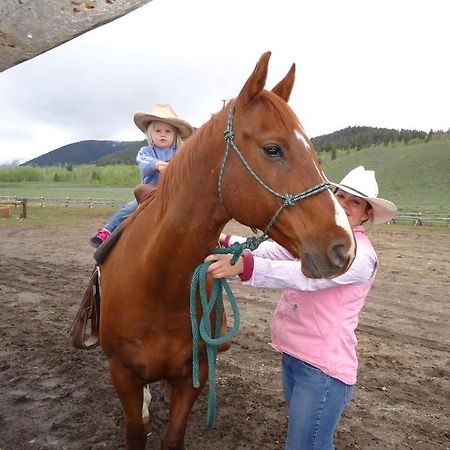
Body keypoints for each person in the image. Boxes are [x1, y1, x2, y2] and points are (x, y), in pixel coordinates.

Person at [205, 166, 397, 450]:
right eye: (340, 195)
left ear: (366, 212)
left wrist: (246, 267)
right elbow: (278, 250)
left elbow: (307, 275)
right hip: (296, 357)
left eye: (354, 201)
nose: (344, 204)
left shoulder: (360, 256)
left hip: (323, 369)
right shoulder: (321, 238)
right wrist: (229, 242)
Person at [89, 104, 193, 247]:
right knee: (129, 208)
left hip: (173, 194)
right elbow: (144, 163)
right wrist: (157, 165)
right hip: (148, 194)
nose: (163, 134)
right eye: (158, 131)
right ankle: (107, 231)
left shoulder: (181, 152)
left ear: (175, 134)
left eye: (168, 131)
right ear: (150, 133)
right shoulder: (145, 151)